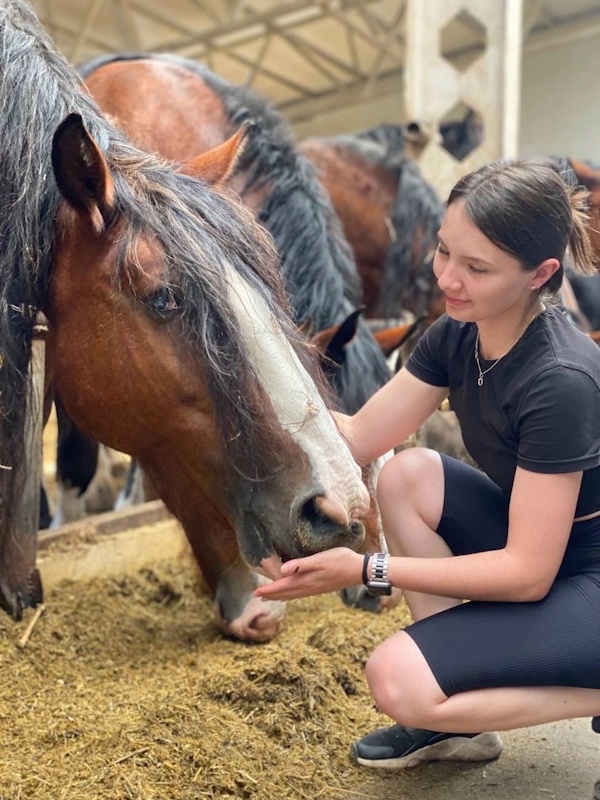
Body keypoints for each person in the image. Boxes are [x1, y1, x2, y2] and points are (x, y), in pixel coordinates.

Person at [254, 158, 600, 771]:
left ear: (539, 274)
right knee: (405, 475)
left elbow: (527, 574)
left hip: (581, 574)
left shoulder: (559, 379)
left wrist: (366, 568)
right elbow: (359, 437)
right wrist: (251, 422)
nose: (448, 278)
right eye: (444, 251)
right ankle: (457, 725)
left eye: (477, 267)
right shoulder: (458, 334)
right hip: (545, 542)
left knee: (396, 682)